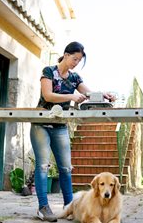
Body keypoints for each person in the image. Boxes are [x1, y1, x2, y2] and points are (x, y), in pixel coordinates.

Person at [30, 41, 116, 222]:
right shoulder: (49, 72)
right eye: (74, 58)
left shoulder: (75, 77)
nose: (76, 63)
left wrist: (104, 95)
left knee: (66, 168)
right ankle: (43, 208)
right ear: (66, 55)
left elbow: (90, 93)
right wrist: (71, 96)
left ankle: (70, 207)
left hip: (60, 125)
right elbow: (48, 95)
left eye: (79, 60)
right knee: (43, 166)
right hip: (41, 122)